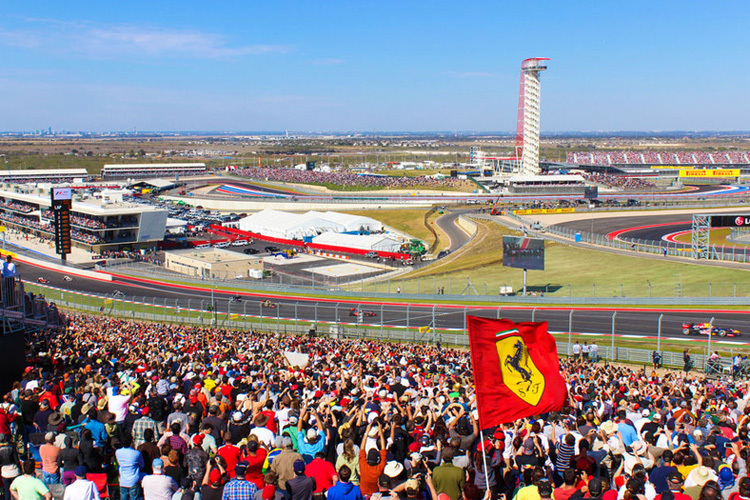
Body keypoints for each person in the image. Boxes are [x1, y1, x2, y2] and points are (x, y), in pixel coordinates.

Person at [116, 434, 144, 500]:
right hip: (133, 481)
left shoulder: (117, 452)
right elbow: (142, 465)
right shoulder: (136, 453)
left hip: (123, 481)